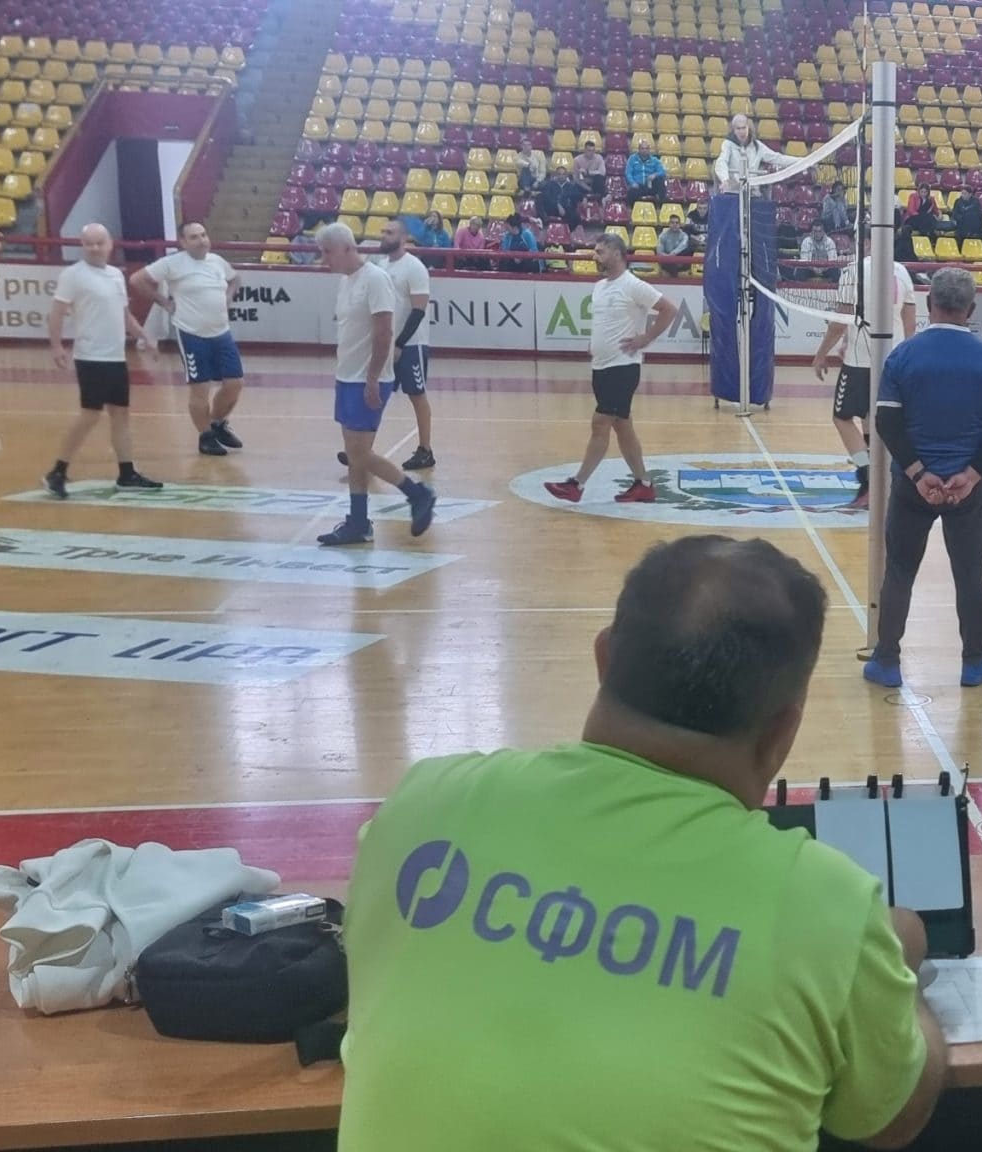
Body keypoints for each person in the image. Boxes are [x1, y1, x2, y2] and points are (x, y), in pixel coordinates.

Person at [342, 534, 948, 1151]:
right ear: (782, 732)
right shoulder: (828, 911)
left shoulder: (418, 809)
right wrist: (894, 969)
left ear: (603, 659)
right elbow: (891, 1118)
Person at [860, 268, 982, 690]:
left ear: (930, 305)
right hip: (969, 491)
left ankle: (886, 661)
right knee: (970, 574)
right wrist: (971, 474)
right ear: (971, 309)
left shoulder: (903, 356)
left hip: (913, 488)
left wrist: (917, 472)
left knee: (899, 570)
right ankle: (974, 663)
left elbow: (886, 421)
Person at [314, 222, 438, 547]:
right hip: (347, 377)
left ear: (347, 248)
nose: (324, 259)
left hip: (366, 380)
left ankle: (417, 493)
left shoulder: (375, 279)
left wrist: (373, 377)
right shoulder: (347, 281)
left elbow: (385, 333)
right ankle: (358, 522)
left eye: (327, 252)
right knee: (356, 455)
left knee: (358, 453)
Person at [544, 233, 679, 505]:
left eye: (600, 251)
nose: (595, 256)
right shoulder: (600, 287)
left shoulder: (633, 284)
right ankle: (643, 484)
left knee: (600, 422)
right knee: (622, 426)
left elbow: (669, 310)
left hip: (623, 367)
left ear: (617, 254)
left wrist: (646, 338)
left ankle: (576, 484)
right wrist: (595, 343)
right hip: (602, 367)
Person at [42, 223, 160, 498]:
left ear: (110, 244)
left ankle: (127, 474)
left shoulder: (116, 275)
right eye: (89, 243)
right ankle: (57, 472)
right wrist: (57, 346)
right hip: (91, 357)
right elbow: (57, 313)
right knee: (90, 414)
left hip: (115, 357)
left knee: (120, 414)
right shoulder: (73, 275)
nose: (95, 248)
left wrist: (145, 337)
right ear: (82, 246)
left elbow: (124, 315)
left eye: (99, 242)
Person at [811, 252, 920, 509]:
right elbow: (910, 325)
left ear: (867, 240)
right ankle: (881, 483)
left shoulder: (854, 270)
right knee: (872, 418)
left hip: (860, 362)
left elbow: (842, 319)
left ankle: (867, 474)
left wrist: (821, 353)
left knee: (842, 417)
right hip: (892, 361)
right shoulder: (902, 271)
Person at [132, 221, 245, 458]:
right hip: (192, 334)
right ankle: (205, 436)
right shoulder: (172, 263)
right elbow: (137, 280)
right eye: (194, 237)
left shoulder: (217, 261)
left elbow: (235, 279)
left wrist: (228, 296)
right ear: (183, 242)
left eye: (203, 235)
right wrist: (164, 302)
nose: (201, 240)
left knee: (234, 383)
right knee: (200, 388)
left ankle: (217, 423)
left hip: (221, 333)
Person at [379, 218, 438, 471]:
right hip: (387, 343)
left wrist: (400, 344)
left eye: (390, 232)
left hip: (412, 344)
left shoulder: (414, 268)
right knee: (377, 394)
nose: (384, 235)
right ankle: (362, 447)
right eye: (383, 231)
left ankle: (425, 450)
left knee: (416, 395)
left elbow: (418, 310)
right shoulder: (381, 266)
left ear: (403, 238)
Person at [714, 113, 792, 195]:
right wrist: (725, 179)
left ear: (748, 128)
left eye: (744, 128)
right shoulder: (727, 144)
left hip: (753, 194)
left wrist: (800, 162)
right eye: (738, 129)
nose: (742, 132)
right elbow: (721, 162)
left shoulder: (758, 145)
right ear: (734, 130)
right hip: (732, 193)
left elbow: (777, 158)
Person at [627, 138, 668, 204]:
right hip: (638, 186)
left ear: (649, 150)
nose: (644, 150)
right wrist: (632, 183)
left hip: (650, 186)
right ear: (639, 149)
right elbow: (628, 173)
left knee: (660, 179)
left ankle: (661, 204)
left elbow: (662, 172)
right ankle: (632, 208)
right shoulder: (632, 159)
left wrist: (655, 175)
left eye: (646, 148)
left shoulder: (655, 160)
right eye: (642, 148)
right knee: (631, 192)